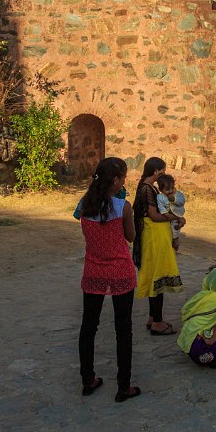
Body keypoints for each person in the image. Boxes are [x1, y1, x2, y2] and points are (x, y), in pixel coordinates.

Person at [75, 157, 141, 402]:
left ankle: (87, 379)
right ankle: (124, 386)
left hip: (93, 270)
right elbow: (131, 237)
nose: (125, 181)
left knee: (88, 327)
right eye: (123, 177)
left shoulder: (85, 204)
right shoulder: (123, 207)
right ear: (115, 181)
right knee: (123, 329)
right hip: (120, 271)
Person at [133, 157, 183, 335]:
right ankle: (157, 322)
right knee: (158, 276)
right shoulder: (148, 189)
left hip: (154, 236)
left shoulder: (146, 187)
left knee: (156, 276)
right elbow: (153, 215)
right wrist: (174, 217)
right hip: (154, 238)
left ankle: (153, 317)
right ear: (155, 171)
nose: (163, 175)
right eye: (161, 172)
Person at [155, 174, 187, 252]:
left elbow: (182, 201)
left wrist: (174, 199)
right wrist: (166, 214)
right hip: (167, 218)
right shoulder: (160, 197)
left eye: (172, 188)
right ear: (160, 189)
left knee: (175, 233)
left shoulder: (178, 194)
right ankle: (170, 248)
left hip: (177, 216)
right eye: (167, 189)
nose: (170, 191)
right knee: (169, 235)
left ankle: (176, 247)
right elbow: (161, 207)